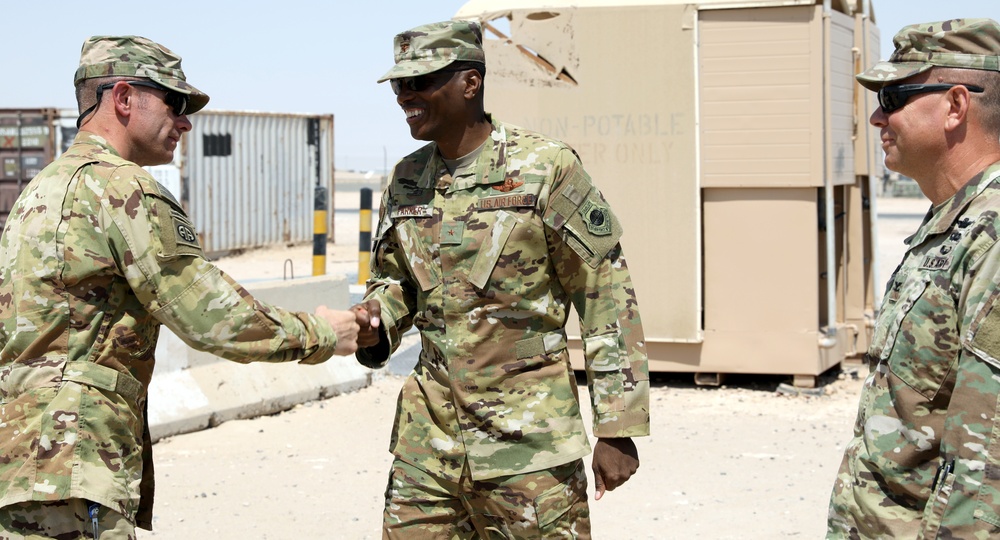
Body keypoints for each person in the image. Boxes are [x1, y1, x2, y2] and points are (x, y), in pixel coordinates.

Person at [0, 35, 360, 538]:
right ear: (123, 98)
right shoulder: (125, 189)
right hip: (76, 462)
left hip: (22, 459)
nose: (186, 121)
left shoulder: (39, 191)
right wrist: (321, 333)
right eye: (174, 102)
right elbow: (212, 317)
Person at [352, 20, 650, 538]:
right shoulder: (405, 180)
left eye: (419, 82)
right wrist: (377, 319)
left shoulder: (545, 168)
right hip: (428, 446)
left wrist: (617, 427)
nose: (404, 96)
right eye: (399, 85)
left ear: (470, 83)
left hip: (528, 448)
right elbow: (396, 282)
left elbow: (605, 294)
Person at [827, 18, 1000, 538]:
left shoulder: (991, 238)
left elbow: (986, 465)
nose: (878, 116)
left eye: (895, 95)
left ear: (955, 106)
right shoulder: (952, 218)